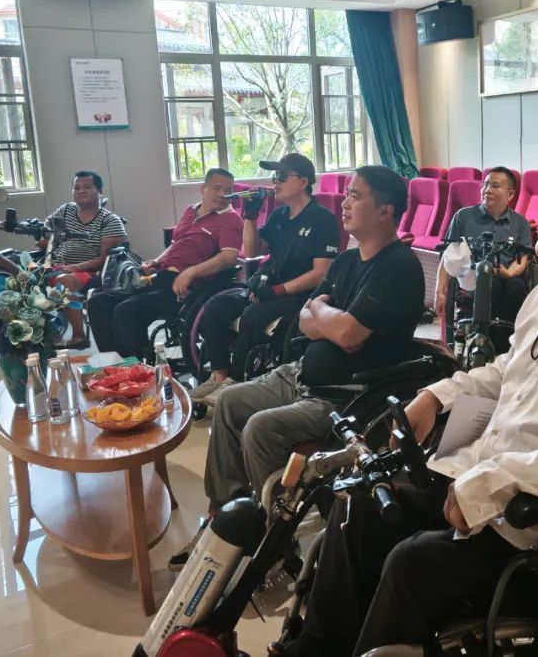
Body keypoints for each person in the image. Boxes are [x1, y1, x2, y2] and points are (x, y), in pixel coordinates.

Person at [277, 143, 538, 657]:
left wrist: (501, 479)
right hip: (490, 480)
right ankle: (316, 648)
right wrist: (435, 396)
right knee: (360, 506)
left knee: (412, 565)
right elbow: (506, 372)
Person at [169, 165, 425, 572]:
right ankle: (226, 519)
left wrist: (326, 316)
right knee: (231, 401)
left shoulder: (398, 267)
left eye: (356, 195)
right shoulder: (346, 262)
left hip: (347, 396)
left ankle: (275, 541)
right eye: (347, 193)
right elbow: (307, 317)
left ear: (385, 211)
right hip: (303, 372)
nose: (345, 202)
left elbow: (349, 335)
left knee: (260, 428)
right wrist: (328, 318)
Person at [190, 153, 340, 403]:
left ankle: (235, 383)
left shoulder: (322, 219)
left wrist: (277, 291)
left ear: (303, 182)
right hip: (269, 289)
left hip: (299, 295)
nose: (275, 182)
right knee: (216, 306)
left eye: (281, 176)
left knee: (253, 316)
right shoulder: (280, 215)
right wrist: (250, 217)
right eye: (274, 176)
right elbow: (252, 251)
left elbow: (321, 272)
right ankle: (219, 375)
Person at [86, 168, 243, 360]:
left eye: (228, 190)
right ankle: (114, 363)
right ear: (203, 189)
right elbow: (175, 244)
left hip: (188, 288)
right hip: (160, 277)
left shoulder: (230, 219)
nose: (223, 194)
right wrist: (157, 260)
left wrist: (191, 272)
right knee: (98, 302)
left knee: (126, 311)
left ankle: (136, 370)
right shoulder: (190, 211)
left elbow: (229, 257)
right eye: (217, 188)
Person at [434, 166, 532, 350]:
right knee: (489, 286)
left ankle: (502, 346)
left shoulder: (520, 223)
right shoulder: (463, 216)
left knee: (517, 288)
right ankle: (483, 342)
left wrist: (508, 273)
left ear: (510, 194)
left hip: (507, 275)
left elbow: (523, 258)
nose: (488, 190)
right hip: (471, 278)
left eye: (495, 186)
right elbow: (448, 257)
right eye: (485, 185)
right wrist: (439, 291)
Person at [43, 170, 127, 348]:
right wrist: (44, 239)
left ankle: (79, 336)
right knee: (25, 277)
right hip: (58, 265)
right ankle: (41, 334)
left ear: (100, 191)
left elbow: (104, 259)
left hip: (92, 272)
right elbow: (47, 231)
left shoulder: (110, 221)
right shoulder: (65, 210)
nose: (81, 191)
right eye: (77, 187)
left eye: (87, 187)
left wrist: (76, 267)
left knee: (63, 281)